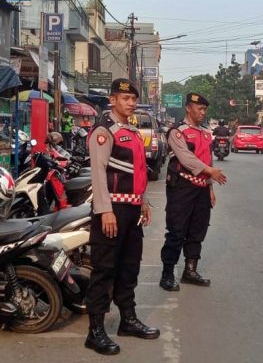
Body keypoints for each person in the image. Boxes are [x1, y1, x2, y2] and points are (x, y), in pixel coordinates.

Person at [84, 79, 159, 355]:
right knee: (104, 270)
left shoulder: (134, 132)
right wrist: (105, 211)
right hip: (111, 211)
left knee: (129, 267)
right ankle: (95, 331)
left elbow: (138, 172)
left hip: (132, 211)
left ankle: (127, 319)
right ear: (112, 100)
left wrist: (142, 202)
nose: (130, 103)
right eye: (125, 98)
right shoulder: (104, 132)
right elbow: (99, 172)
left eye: (133, 99)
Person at [160, 92, 227, 292]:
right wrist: (210, 172)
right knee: (176, 231)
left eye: (205, 109)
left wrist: (210, 188)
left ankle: (190, 270)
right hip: (182, 187)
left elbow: (208, 160)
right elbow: (185, 158)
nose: (202, 113)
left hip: (202, 189)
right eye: (199, 109)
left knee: (198, 230)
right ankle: (167, 274)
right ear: (188, 108)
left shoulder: (206, 133)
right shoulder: (177, 132)